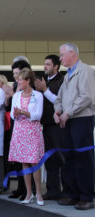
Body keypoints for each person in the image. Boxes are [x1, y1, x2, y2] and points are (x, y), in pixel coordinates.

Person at [54, 43, 95, 210]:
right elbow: (59, 97)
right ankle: (72, 194)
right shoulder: (67, 75)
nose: (60, 58)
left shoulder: (85, 71)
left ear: (72, 53)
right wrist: (57, 111)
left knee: (84, 159)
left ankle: (87, 196)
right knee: (70, 157)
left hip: (82, 120)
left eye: (62, 55)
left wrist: (67, 112)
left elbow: (87, 97)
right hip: (68, 120)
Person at [8, 68, 44, 206]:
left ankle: (39, 193)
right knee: (24, 162)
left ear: (28, 81)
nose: (18, 83)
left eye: (20, 80)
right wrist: (16, 114)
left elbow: (38, 115)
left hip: (32, 131)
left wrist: (24, 112)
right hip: (20, 131)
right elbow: (12, 114)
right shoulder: (16, 96)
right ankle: (28, 193)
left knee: (34, 162)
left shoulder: (37, 95)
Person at [34, 55, 66, 201]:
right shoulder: (43, 80)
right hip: (45, 125)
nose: (45, 66)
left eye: (48, 64)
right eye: (44, 63)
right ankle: (53, 191)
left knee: (61, 159)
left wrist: (45, 89)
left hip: (58, 126)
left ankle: (67, 191)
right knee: (49, 159)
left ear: (56, 67)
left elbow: (60, 101)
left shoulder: (62, 81)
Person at [7, 60, 31, 200]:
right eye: (14, 73)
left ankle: (27, 189)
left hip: (26, 126)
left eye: (17, 73)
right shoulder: (15, 86)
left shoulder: (29, 88)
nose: (15, 76)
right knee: (17, 158)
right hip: (15, 124)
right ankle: (19, 188)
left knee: (26, 159)